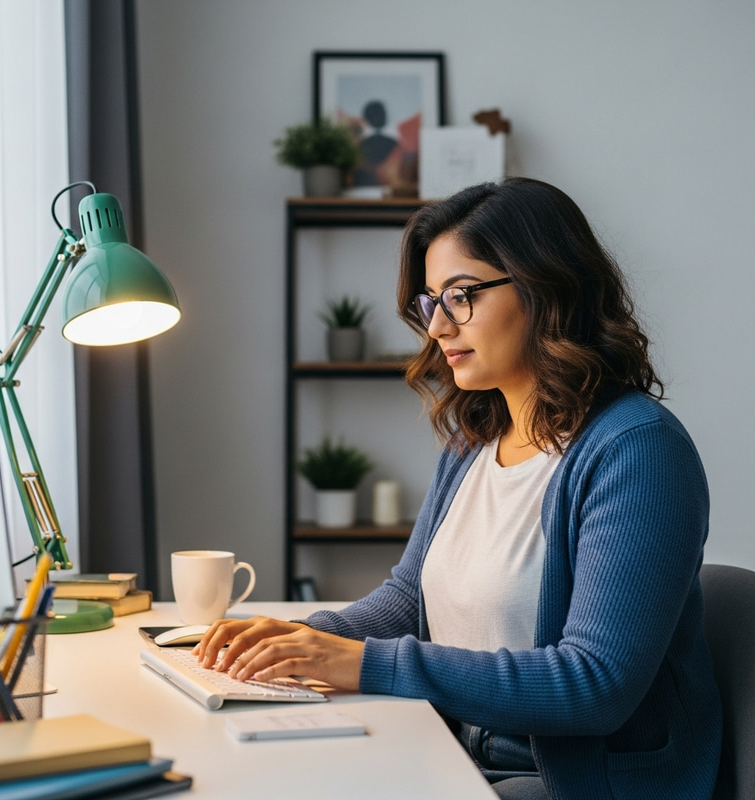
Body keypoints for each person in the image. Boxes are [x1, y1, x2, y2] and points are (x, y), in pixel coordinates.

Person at [196, 178, 722, 799]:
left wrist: (359, 664)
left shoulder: (637, 449)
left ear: (546, 287)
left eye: (462, 295)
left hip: (566, 782)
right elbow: (406, 600)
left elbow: (594, 685)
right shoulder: (476, 440)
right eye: (430, 301)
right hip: (448, 745)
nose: (438, 325)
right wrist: (294, 640)